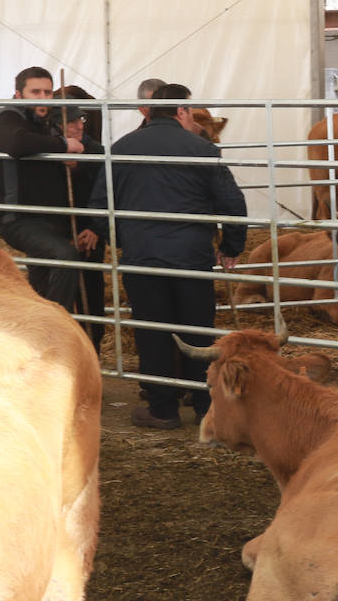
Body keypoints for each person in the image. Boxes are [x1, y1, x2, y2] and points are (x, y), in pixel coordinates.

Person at [77, 83, 247, 429]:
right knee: (198, 333)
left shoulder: (122, 149)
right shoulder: (202, 150)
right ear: (182, 111)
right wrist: (231, 246)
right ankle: (205, 407)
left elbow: (97, 208)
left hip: (143, 259)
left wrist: (124, 238)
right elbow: (232, 204)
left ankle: (163, 409)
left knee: (152, 333)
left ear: (150, 111)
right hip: (192, 258)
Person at [0, 66, 93, 311]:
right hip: (19, 218)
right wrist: (63, 145)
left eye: (47, 92)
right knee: (64, 257)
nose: (43, 98)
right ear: (18, 94)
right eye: (35, 92)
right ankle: (55, 323)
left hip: (49, 218)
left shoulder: (44, 123)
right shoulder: (8, 118)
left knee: (42, 275)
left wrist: (68, 162)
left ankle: (36, 324)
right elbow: (17, 143)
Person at [56, 85, 107, 352]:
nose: (78, 126)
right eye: (70, 121)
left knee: (91, 291)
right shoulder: (45, 151)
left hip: (89, 233)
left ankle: (93, 350)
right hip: (56, 232)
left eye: (80, 119)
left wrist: (96, 228)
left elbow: (106, 193)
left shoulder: (97, 151)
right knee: (58, 291)